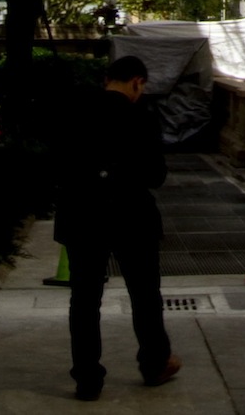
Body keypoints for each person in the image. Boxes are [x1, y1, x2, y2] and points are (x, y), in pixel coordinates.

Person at [53, 54, 179, 401]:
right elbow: (156, 176)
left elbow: (57, 164)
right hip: (131, 215)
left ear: (106, 79)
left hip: (82, 215)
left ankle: (87, 378)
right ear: (137, 82)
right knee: (144, 295)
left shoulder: (73, 112)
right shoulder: (141, 117)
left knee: (84, 300)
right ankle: (155, 363)